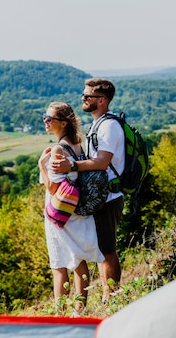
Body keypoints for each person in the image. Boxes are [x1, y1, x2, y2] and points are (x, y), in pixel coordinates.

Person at [50, 78, 125, 302]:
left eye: (87, 96)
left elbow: (102, 162)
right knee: (102, 250)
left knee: (107, 251)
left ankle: (111, 298)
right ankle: (107, 297)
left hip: (109, 196)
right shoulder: (99, 124)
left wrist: (71, 166)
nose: (83, 99)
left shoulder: (109, 126)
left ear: (101, 100)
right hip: (102, 196)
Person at [38, 101, 104, 313]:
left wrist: (42, 166)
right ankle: (79, 310)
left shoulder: (58, 149)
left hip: (59, 213)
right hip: (75, 211)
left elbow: (53, 188)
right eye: (45, 117)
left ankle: (60, 314)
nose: (46, 122)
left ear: (63, 124)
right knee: (79, 260)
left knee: (59, 266)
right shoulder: (77, 146)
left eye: (50, 119)